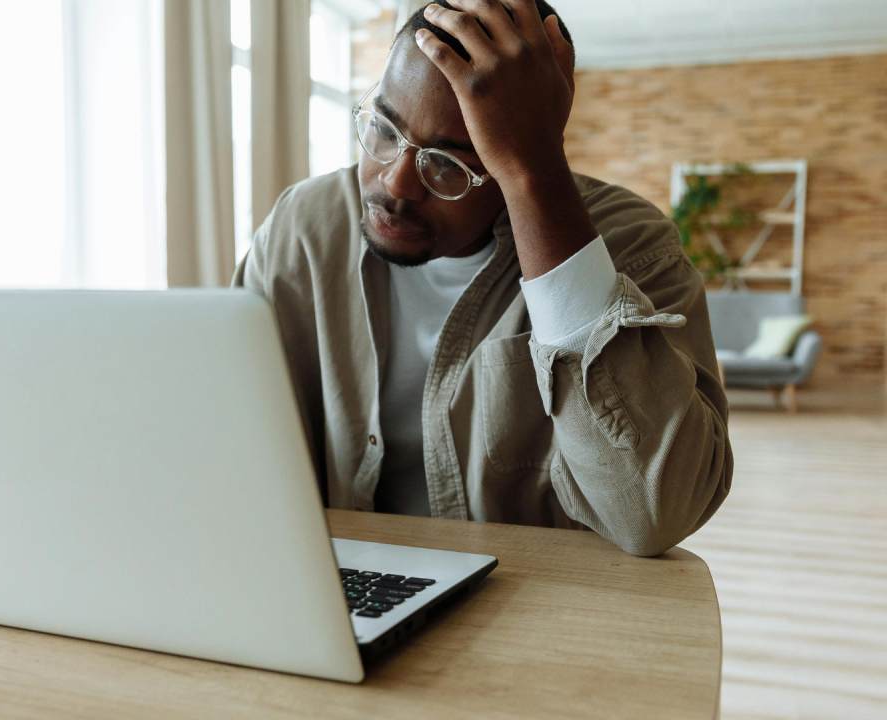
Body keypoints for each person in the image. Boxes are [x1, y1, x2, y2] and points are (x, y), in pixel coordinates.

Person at [233, 0, 731, 557]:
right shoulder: (304, 228)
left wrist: (534, 174)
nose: (396, 184)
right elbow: (224, 428)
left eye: (448, 163)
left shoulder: (631, 246)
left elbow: (655, 513)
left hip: (538, 605)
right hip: (331, 580)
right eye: (384, 129)